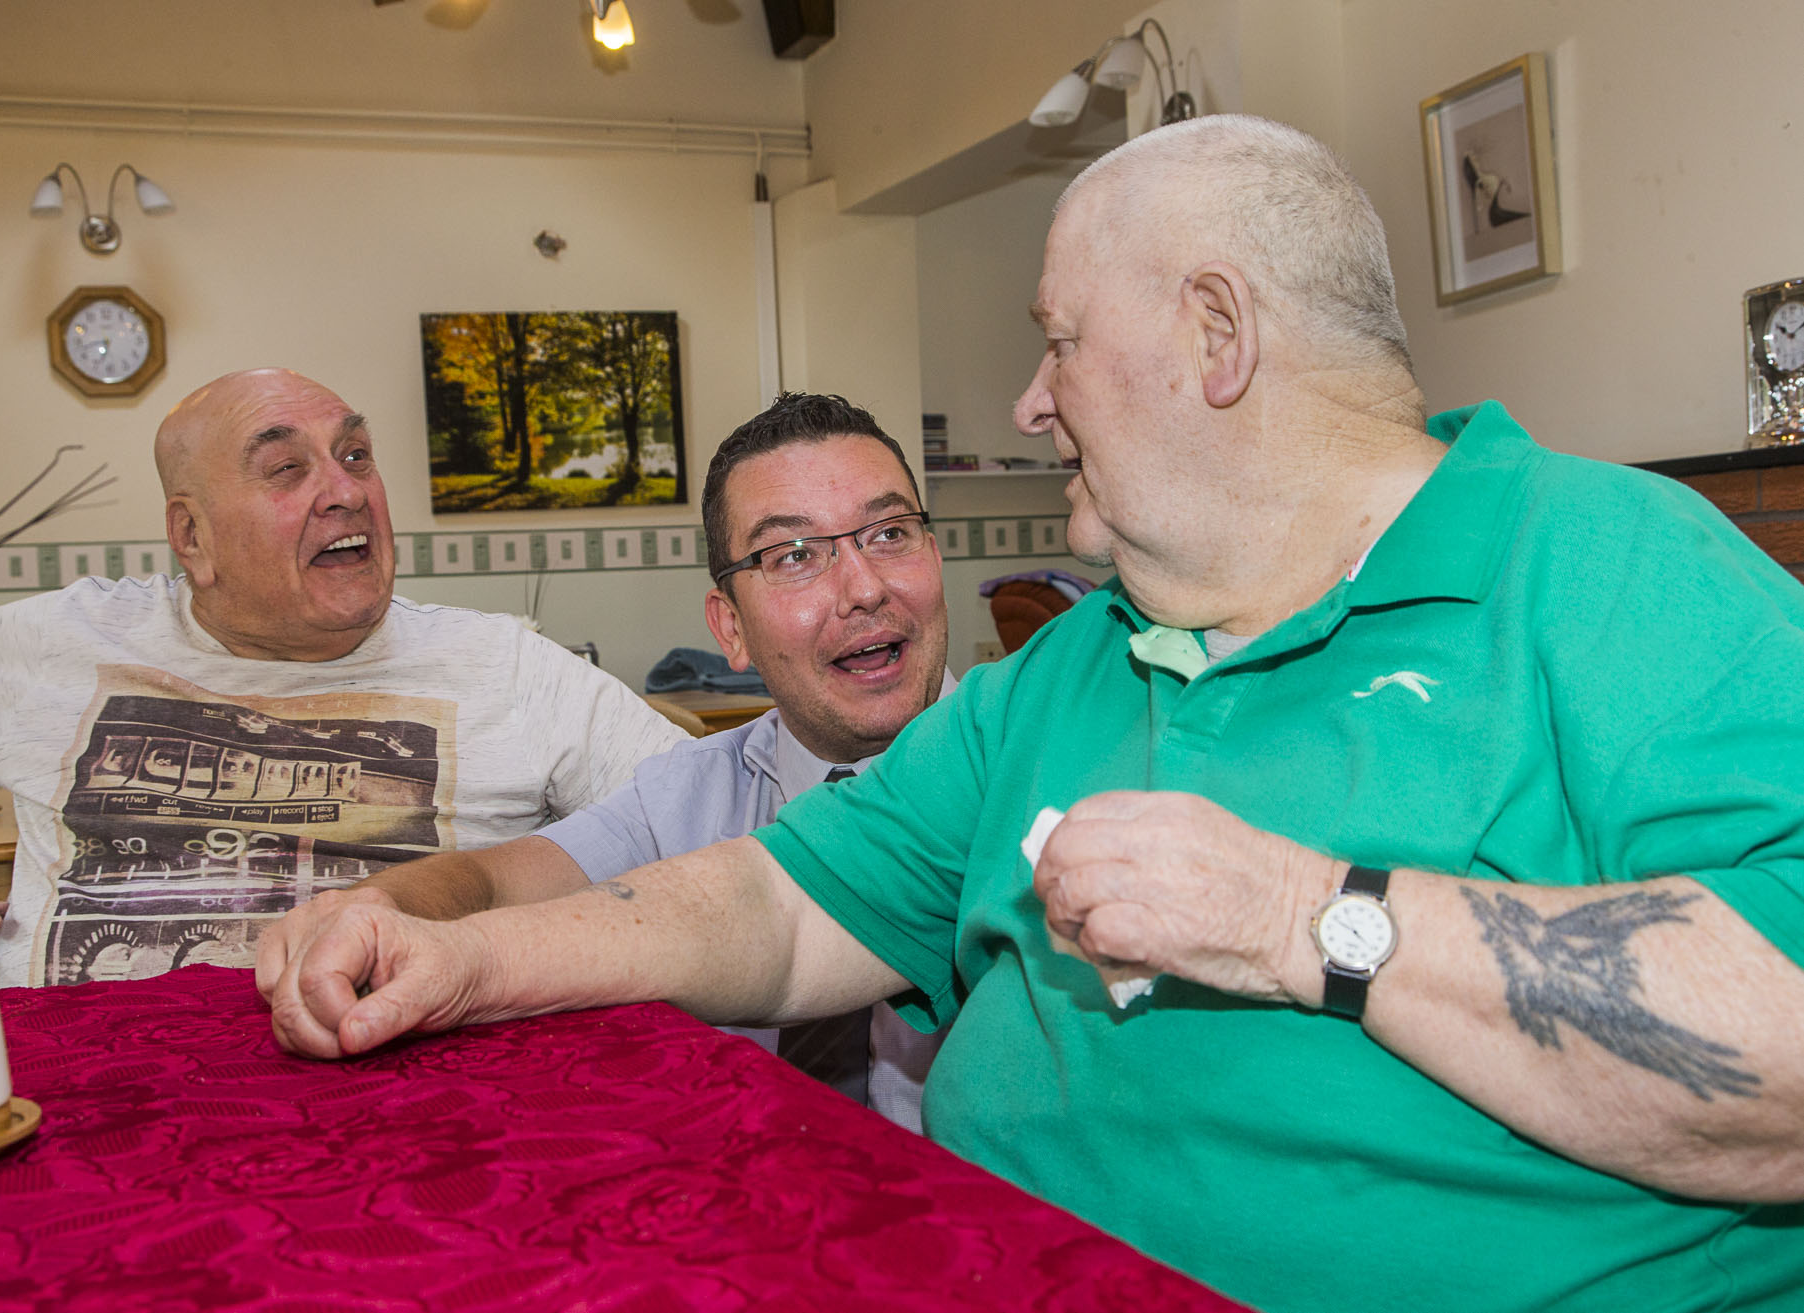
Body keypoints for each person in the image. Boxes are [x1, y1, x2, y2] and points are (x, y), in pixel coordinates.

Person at [259, 119, 1804, 1312]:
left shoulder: (1610, 570)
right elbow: (776, 905)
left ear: (1216, 333)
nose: (1028, 397)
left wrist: (1299, 917)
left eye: (1058, 337)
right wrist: (458, 958)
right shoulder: (1074, 661)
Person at [0, 368, 684, 988]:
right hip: (76, 1096)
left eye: (355, 455)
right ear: (192, 536)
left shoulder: (510, 667)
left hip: (400, 1090)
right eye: (287, 469)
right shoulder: (59, 638)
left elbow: (707, 812)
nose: (345, 490)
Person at [259, 393, 952, 1129]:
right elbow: (496, 879)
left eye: (888, 533)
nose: (864, 588)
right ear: (730, 628)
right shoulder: (690, 791)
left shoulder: (1039, 763)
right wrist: (378, 910)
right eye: (794, 556)